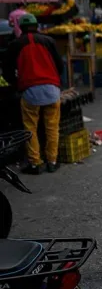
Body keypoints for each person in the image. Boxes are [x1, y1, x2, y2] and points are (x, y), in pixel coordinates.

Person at [3, 14, 64, 174]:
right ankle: (52, 161)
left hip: (30, 91)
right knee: (52, 127)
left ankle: (35, 163)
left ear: (20, 28)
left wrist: (16, 85)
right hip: (52, 89)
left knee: (30, 128)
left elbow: (7, 70)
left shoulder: (15, 44)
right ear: (37, 25)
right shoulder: (48, 41)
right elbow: (60, 65)